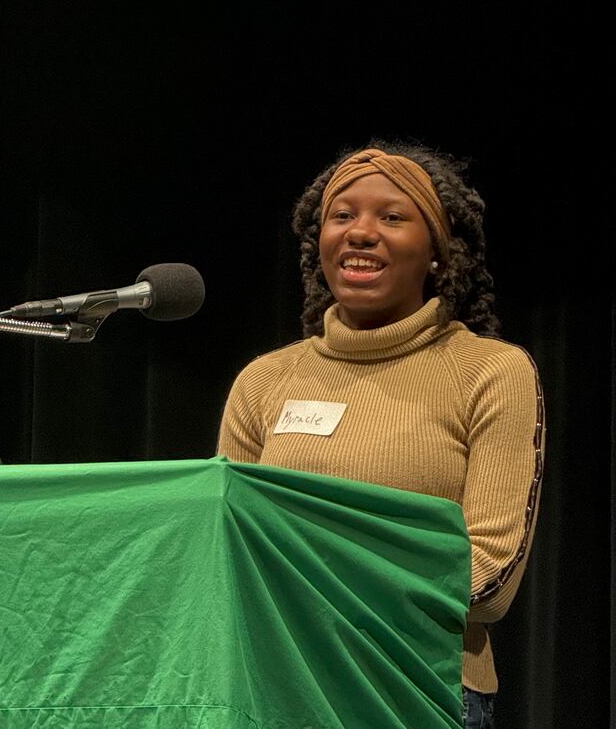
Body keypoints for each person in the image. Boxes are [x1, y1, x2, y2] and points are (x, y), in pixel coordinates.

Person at [217, 140, 544, 729]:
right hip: (279, 687)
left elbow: (492, 576)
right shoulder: (264, 380)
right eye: (342, 216)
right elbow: (225, 548)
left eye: (392, 217)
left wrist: (323, 590)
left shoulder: (490, 371)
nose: (360, 232)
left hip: (420, 687)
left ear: (440, 254)